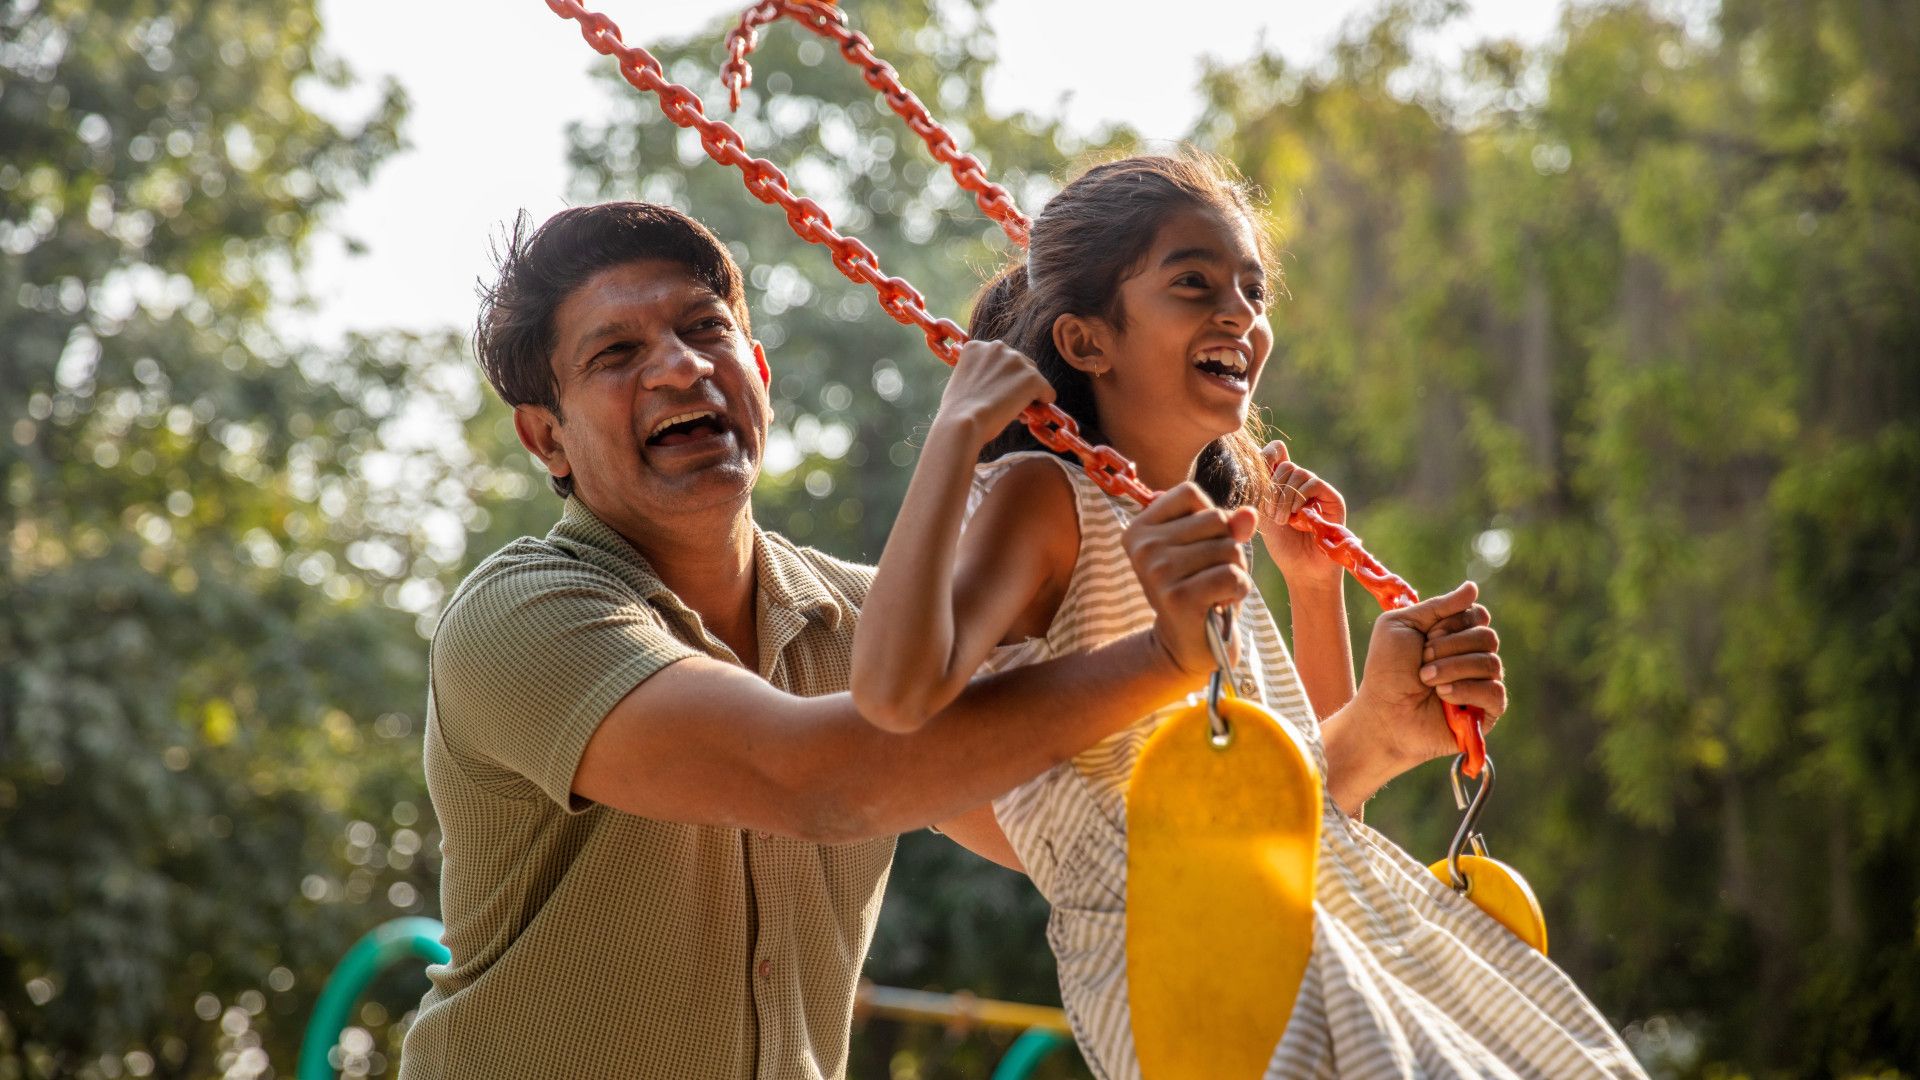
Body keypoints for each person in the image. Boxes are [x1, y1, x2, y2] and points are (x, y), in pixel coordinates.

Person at [394, 200, 1272, 1080]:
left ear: (759, 372)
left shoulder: (866, 622)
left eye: (705, 328)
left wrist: (1337, 649)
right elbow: (815, 780)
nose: (680, 366)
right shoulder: (522, 615)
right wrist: (1159, 660)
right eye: (616, 353)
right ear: (547, 438)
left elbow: (1119, 847)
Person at [849, 153, 1645, 1078]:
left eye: (1253, 290)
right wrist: (956, 434)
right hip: (1186, 952)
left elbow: (1302, 805)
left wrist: (1324, 613)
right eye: (1194, 283)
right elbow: (893, 695)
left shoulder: (1192, 541)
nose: (1239, 313)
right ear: (1087, 342)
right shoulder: (1046, 497)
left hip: (1290, 918)